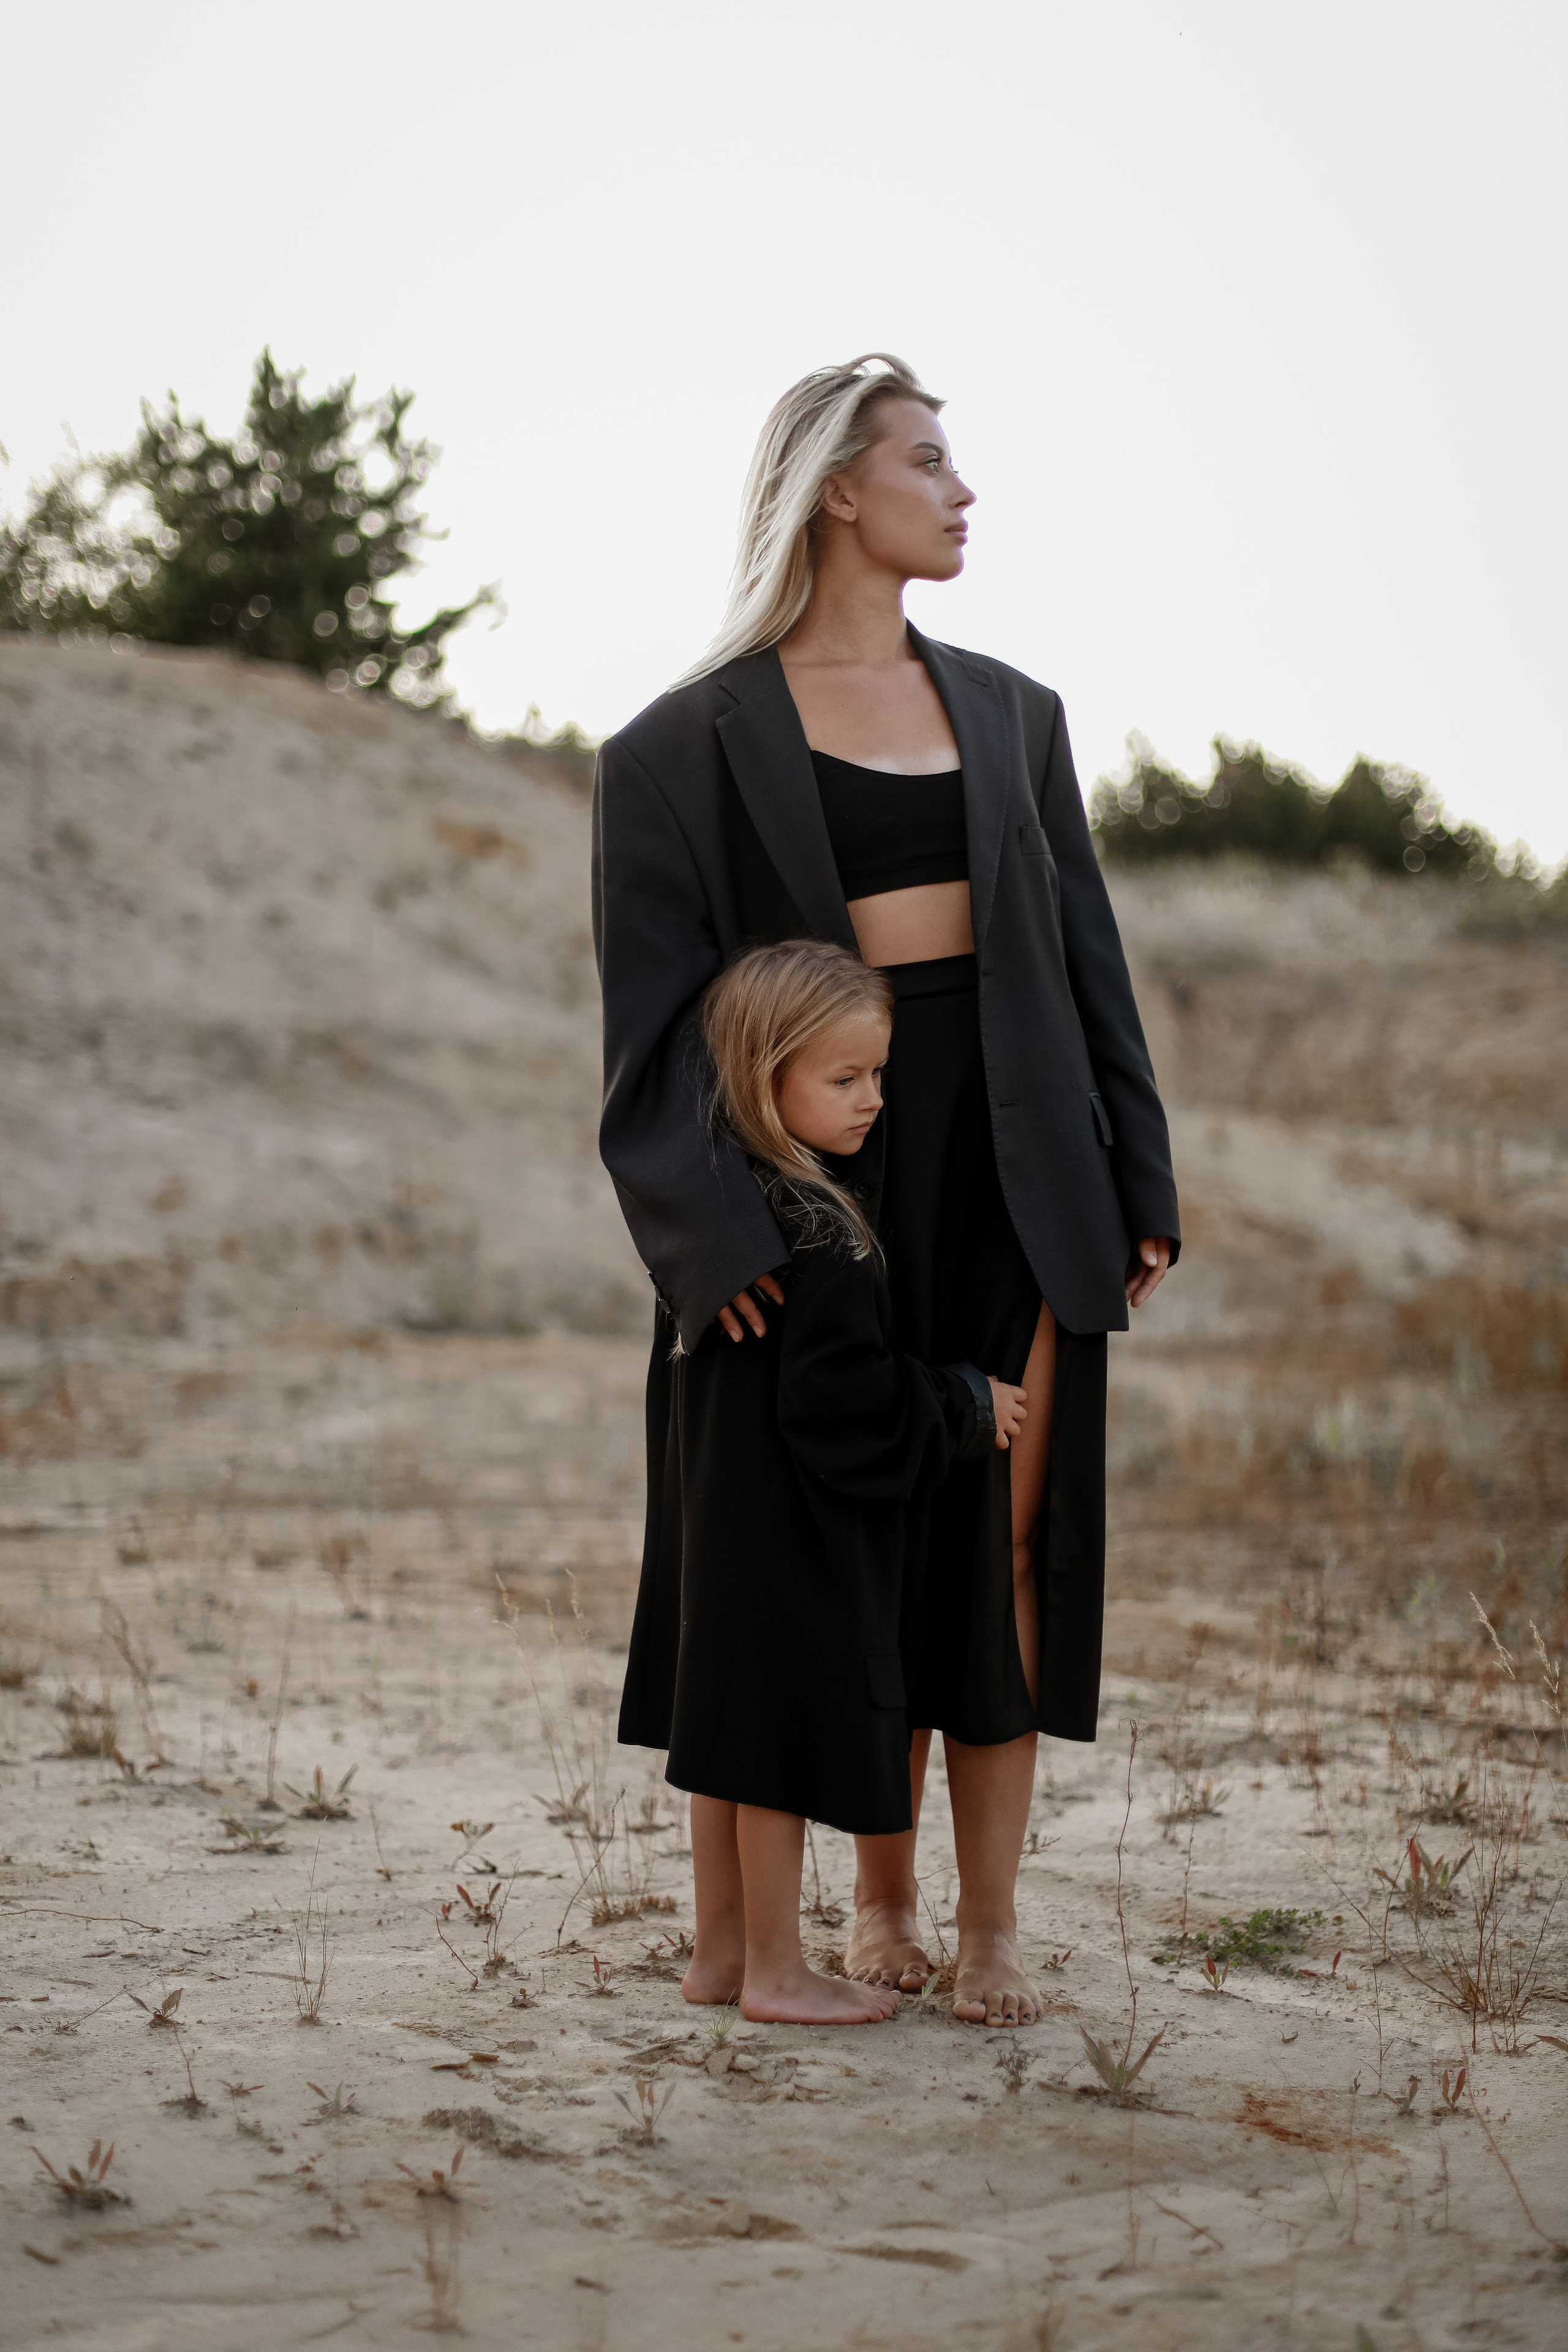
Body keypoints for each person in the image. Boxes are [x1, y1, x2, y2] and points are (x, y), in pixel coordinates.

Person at [594, 354, 1179, 2028]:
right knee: (841, 1530)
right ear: (836, 491)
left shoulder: (1015, 713)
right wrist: (714, 1240)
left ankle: (988, 1927)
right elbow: (650, 1040)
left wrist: (1142, 1172)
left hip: (1021, 1161)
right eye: (930, 461)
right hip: (809, 1193)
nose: (963, 489)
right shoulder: (675, 749)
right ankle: (877, 1902)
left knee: (997, 1528)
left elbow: (1088, 963)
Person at [641, 938, 1025, 2024]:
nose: (874, 1101)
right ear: (765, 1078)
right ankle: (774, 1972)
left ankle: (719, 1960)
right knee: (770, 1752)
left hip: (717, 1528)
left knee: (720, 1743)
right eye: (844, 1079)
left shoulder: (721, 1232)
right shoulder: (826, 1237)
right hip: (789, 1539)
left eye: (880, 1074)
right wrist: (962, 1402)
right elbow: (840, 1403)